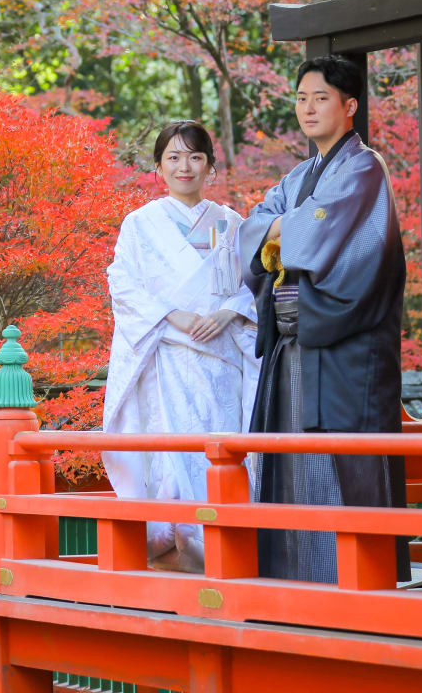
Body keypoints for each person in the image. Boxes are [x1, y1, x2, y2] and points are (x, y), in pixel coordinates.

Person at [238, 56, 409, 584]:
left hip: (344, 346)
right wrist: (282, 234)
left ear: (349, 106)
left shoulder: (363, 169)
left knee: (342, 457)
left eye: (321, 98)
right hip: (293, 341)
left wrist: (283, 235)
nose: (308, 108)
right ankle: (295, 578)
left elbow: (316, 236)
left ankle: (357, 579)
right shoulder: (298, 176)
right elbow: (253, 229)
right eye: (301, 98)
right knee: (288, 458)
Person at [102, 121, 259, 573]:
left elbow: (254, 286)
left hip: (221, 360)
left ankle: (226, 549)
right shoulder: (140, 225)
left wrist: (227, 313)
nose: (183, 166)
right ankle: (175, 547)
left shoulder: (233, 224)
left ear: (210, 165)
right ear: (158, 168)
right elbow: (124, 284)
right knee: (171, 455)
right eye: (173, 157)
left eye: (194, 157)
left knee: (220, 448)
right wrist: (174, 315)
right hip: (167, 357)